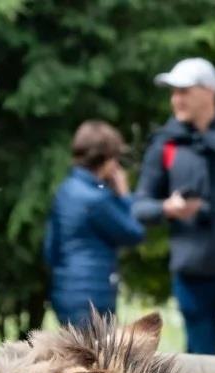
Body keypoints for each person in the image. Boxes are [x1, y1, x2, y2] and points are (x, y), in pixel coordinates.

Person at [133, 56, 215, 359]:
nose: (176, 99)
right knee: (201, 358)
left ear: (209, 92)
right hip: (192, 269)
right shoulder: (165, 145)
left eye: (184, 91)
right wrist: (168, 208)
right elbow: (139, 206)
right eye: (173, 92)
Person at [42, 121, 145, 326]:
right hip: (94, 294)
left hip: (65, 291)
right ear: (108, 160)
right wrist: (124, 195)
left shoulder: (65, 191)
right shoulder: (97, 199)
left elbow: (50, 249)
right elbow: (133, 232)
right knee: (95, 355)